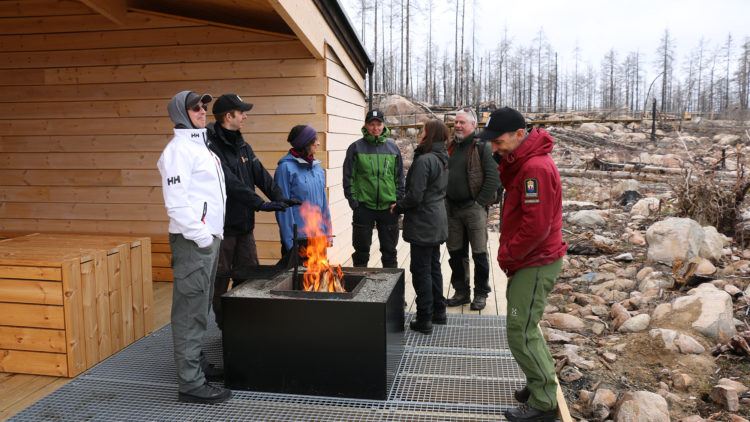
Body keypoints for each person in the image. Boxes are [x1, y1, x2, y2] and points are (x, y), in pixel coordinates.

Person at [479, 107, 567, 422]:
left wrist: (508, 255)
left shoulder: (536, 169)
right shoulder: (525, 164)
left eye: (498, 141)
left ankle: (544, 403)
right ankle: (537, 383)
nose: (493, 148)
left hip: (535, 260)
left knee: (520, 330)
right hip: (530, 259)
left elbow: (536, 227)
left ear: (519, 135)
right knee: (527, 326)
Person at [157, 90, 231, 404]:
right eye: (195, 107)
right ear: (180, 112)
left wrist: (210, 235)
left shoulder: (202, 147)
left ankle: (195, 365)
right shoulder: (177, 151)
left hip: (206, 239)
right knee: (190, 311)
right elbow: (176, 205)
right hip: (193, 242)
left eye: (204, 106)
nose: (202, 110)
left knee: (199, 307)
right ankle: (190, 384)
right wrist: (201, 236)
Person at [206, 94, 299, 330]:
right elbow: (230, 183)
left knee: (251, 279)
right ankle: (226, 330)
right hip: (221, 231)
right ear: (229, 116)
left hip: (245, 228)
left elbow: (261, 176)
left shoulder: (242, 145)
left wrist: (280, 198)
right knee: (220, 283)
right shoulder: (211, 147)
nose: (245, 116)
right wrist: (260, 204)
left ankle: (249, 329)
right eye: (241, 112)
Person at [390, 120, 449, 335]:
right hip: (437, 219)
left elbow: (415, 195)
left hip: (424, 221)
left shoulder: (425, 160)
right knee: (433, 266)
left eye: (424, 130)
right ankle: (439, 312)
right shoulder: (443, 158)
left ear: (430, 134)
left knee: (420, 269)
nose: (421, 133)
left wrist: (398, 208)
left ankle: (424, 318)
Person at [445, 108, 501, 311]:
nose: (458, 125)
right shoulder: (451, 146)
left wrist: (480, 203)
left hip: (474, 208)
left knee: (479, 253)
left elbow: (494, 177)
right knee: (456, 253)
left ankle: (481, 293)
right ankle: (461, 292)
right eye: (456, 122)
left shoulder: (482, 147)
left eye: (462, 122)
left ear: (473, 125)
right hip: (452, 208)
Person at [343, 109, 405, 268]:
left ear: (383, 125)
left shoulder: (393, 148)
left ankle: (391, 290)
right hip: (364, 207)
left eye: (378, 124)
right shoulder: (355, 148)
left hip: (388, 208)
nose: (375, 128)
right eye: (372, 124)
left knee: (390, 251)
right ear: (366, 125)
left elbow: (399, 177)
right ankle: (360, 287)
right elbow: (349, 177)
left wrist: (398, 201)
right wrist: (354, 202)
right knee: (361, 252)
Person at [274, 125, 331, 256]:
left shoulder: (317, 169)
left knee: (321, 276)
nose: (318, 143)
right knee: (298, 277)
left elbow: (324, 204)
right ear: (304, 144)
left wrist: (327, 234)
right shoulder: (285, 169)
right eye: (314, 140)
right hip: (299, 240)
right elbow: (283, 209)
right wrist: (290, 242)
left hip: (318, 237)